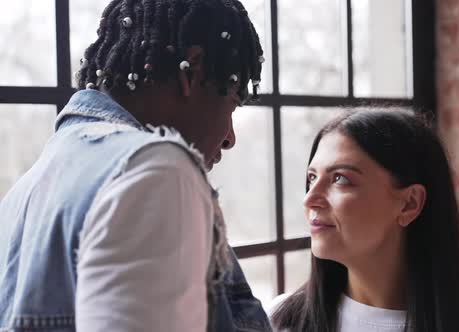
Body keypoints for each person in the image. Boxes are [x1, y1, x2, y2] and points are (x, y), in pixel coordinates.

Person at [0, 0, 272, 331]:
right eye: (232, 102)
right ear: (193, 70)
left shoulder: (25, 191)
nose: (230, 137)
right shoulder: (155, 172)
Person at [268, 109, 459, 332]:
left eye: (340, 178)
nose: (310, 199)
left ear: (410, 203)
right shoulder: (276, 322)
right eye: (312, 177)